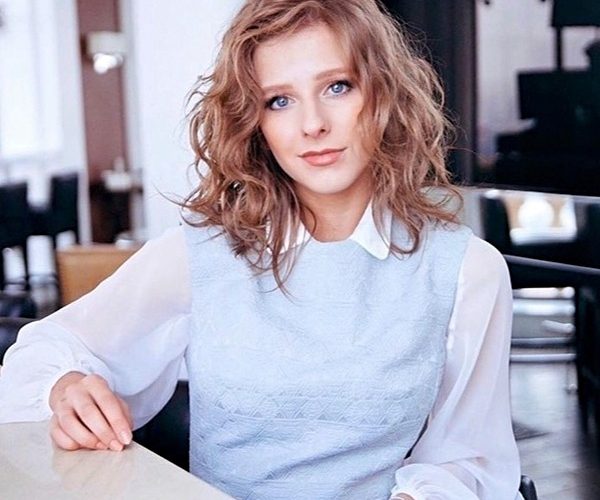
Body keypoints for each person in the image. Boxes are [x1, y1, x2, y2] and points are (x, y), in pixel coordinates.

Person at [0, 0, 522, 498]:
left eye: (338, 86)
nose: (312, 124)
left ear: (384, 94)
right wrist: (65, 386)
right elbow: (40, 351)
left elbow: (471, 456)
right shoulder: (201, 253)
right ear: (256, 123)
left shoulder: (466, 270)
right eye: (280, 100)